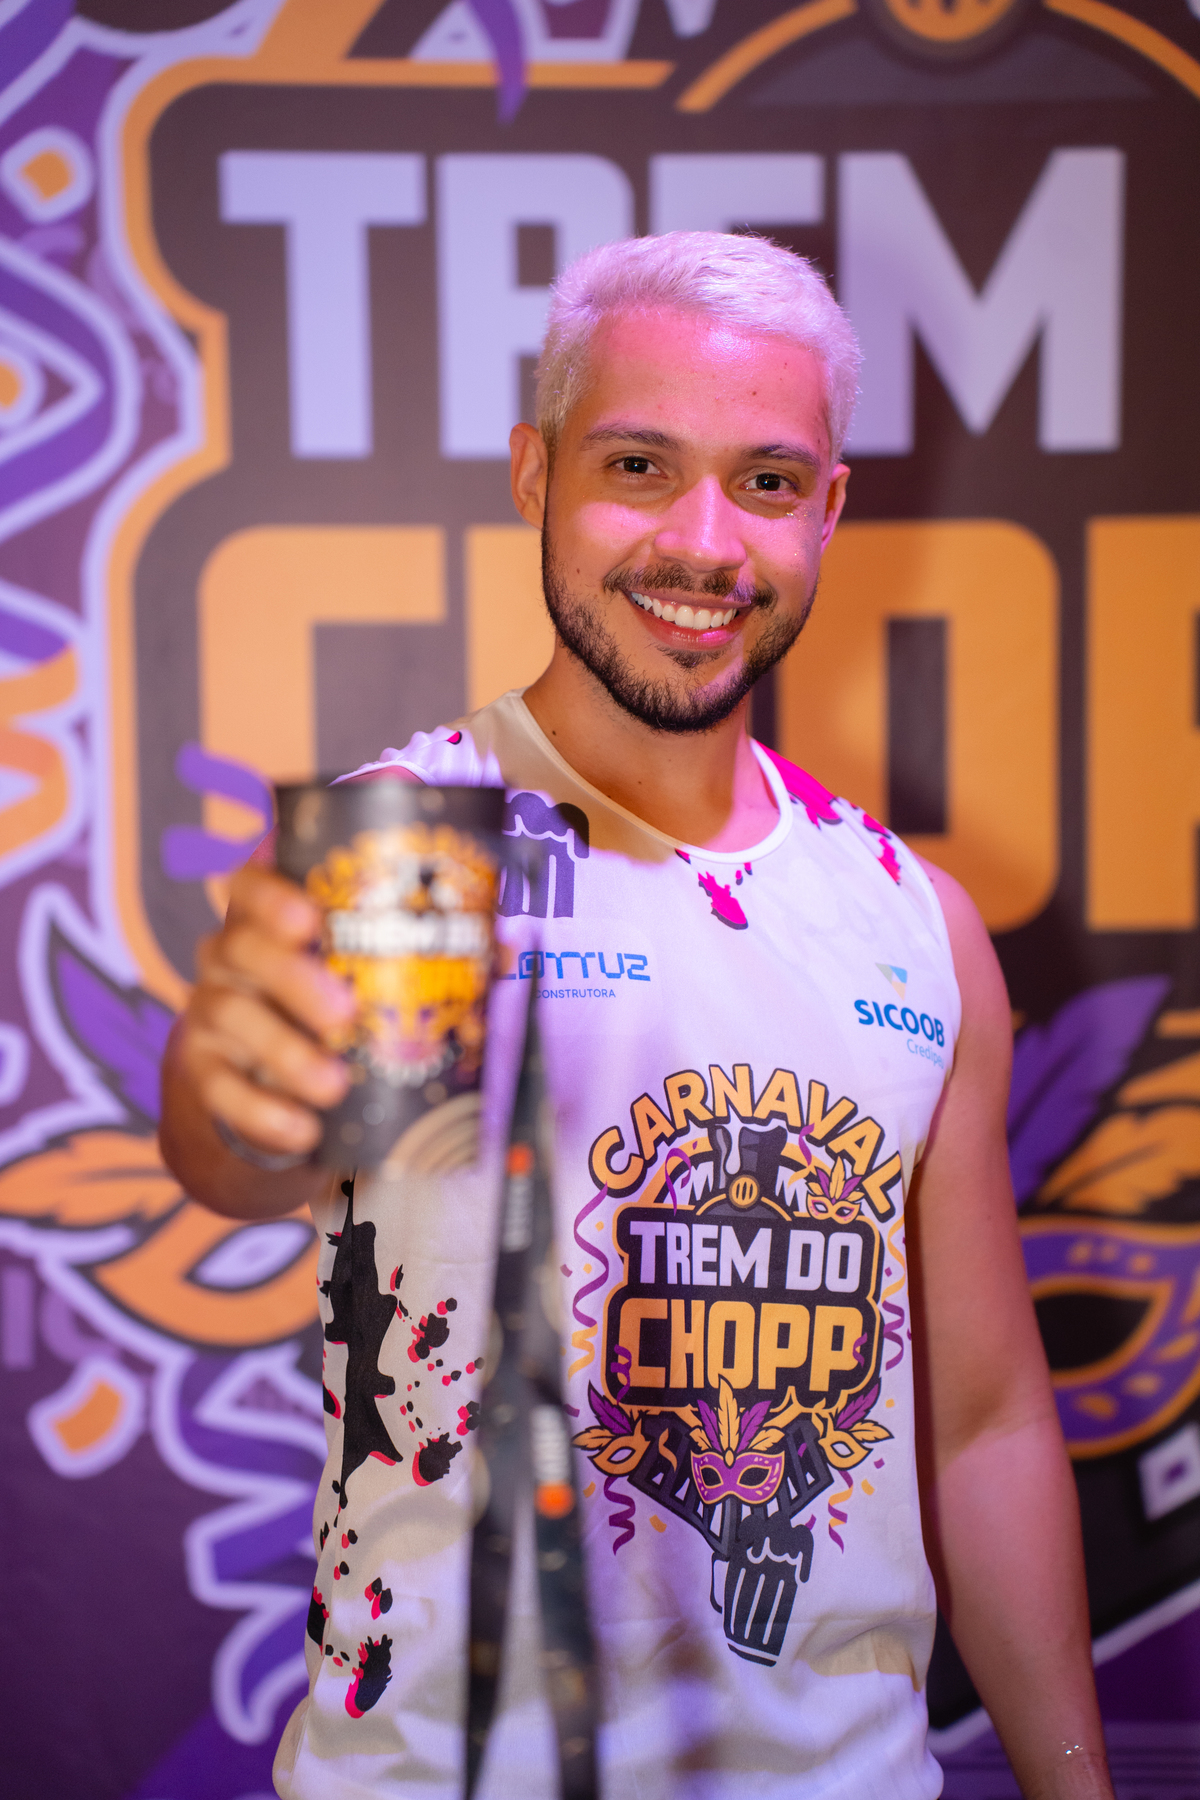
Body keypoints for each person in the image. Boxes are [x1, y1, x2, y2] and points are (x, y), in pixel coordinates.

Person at [160, 232, 1113, 1799]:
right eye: (638, 466)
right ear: (535, 475)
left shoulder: (916, 923)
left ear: (828, 511)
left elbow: (986, 1424)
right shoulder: (408, 861)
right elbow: (242, 1157)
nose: (702, 542)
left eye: (766, 482)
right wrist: (221, 1090)